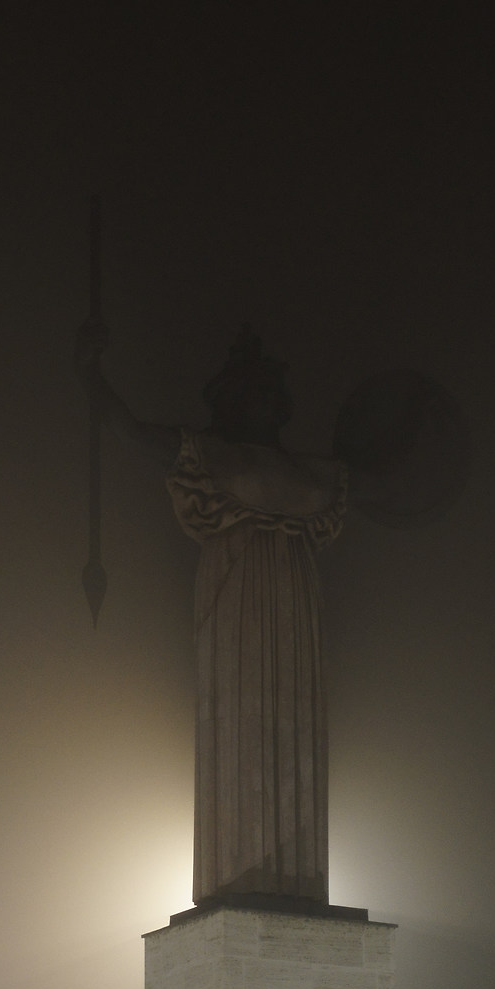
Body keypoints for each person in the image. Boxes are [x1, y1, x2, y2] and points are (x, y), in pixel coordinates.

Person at [77, 322, 345, 907]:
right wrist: (92, 376)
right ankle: (242, 872)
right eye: (255, 390)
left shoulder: (316, 474)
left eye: (274, 391)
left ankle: (298, 881)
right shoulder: (211, 455)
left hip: (296, 599)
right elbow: (131, 431)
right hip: (238, 591)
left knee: (297, 720)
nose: (268, 401)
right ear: (231, 398)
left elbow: (392, 481)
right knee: (242, 713)